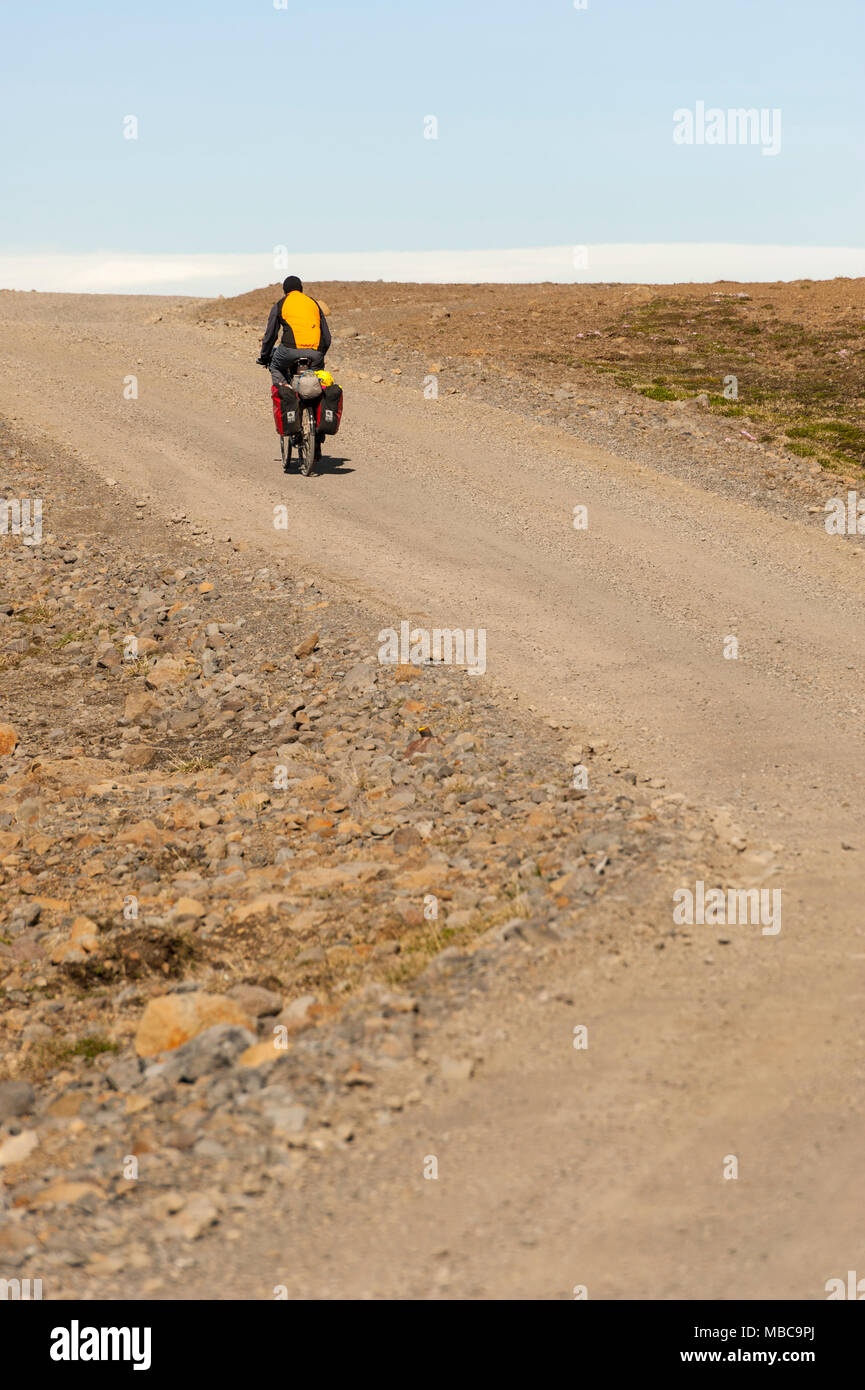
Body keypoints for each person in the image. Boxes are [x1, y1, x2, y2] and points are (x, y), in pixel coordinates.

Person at [256, 275, 332, 384]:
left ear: (285, 291)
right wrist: (319, 354)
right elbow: (327, 337)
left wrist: (264, 356)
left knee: (276, 366)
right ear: (301, 289)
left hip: (289, 349)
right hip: (316, 351)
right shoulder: (313, 303)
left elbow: (271, 335)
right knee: (318, 378)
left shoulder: (280, 304)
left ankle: (285, 393)